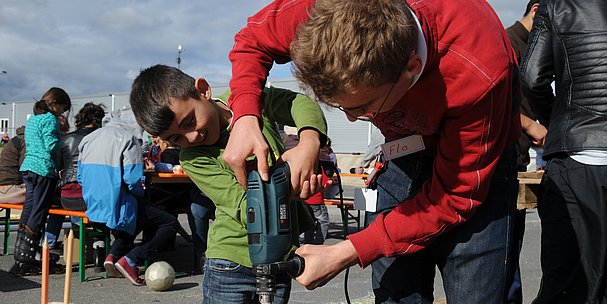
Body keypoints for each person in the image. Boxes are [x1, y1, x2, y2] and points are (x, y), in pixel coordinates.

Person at [227, 0, 521, 302]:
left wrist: (348, 251)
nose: (351, 119)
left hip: (475, 162)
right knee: (395, 292)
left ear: (412, 67)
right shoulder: (327, 13)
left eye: (363, 107)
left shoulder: (477, 68)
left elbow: (455, 196)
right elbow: (252, 40)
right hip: (403, 152)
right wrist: (246, 116)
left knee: (478, 293)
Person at [129, 64, 326, 303]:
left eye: (189, 121)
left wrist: (309, 143)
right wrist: (289, 190)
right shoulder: (193, 157)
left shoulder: (248, 103)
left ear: (203, 90)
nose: (192, 137)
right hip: (230, 266)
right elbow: (245, 207)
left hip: (279, 257)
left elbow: (301, 104)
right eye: (176, 138)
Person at [520, 1, 607, 302]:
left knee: (566, 282)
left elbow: (532, 77)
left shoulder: (557, 5)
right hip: (578, 152)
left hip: (576, 156)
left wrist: (555, 122)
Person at [78, 107, 180, 286]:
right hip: (118, 205)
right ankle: (131, 259)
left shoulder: (88, 139)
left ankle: (112, 256)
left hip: (93, 206)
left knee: (136, 217)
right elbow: (132, 180)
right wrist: (141, 193)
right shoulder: (128, 139)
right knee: (169, 222)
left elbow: (80, 176)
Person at [504, 1, 547, 302]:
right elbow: (490, 101)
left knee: (511, 261)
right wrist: (530, 125)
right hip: (501, 167)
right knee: (503, 268)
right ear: (536, 9)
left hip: (517, 164)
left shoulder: (535, 50)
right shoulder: (507, 43)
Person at [14, 87, 72, 275]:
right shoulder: (49, 119)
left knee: (29, 209)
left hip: (28, 167)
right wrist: (62, 145)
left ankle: (21, 252)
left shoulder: (33, 120)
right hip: (42, 169)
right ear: (54, 104)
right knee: (39, 211)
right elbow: (51, 145)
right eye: (63, 107)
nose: (63, 111)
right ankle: (30, 256)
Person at [57, 102, 106, 272]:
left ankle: (78, 250)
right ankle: (100, 247)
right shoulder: (103, 140)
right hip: (91, 197)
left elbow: (59, 167)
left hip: (67, 198)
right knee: (102, 205)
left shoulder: (66, 139)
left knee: (79, 212)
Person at [0, 126, 26, 204]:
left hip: (4, 185)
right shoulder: (25, 140)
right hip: (11, 187)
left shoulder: (16, 139)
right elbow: (24, 166)